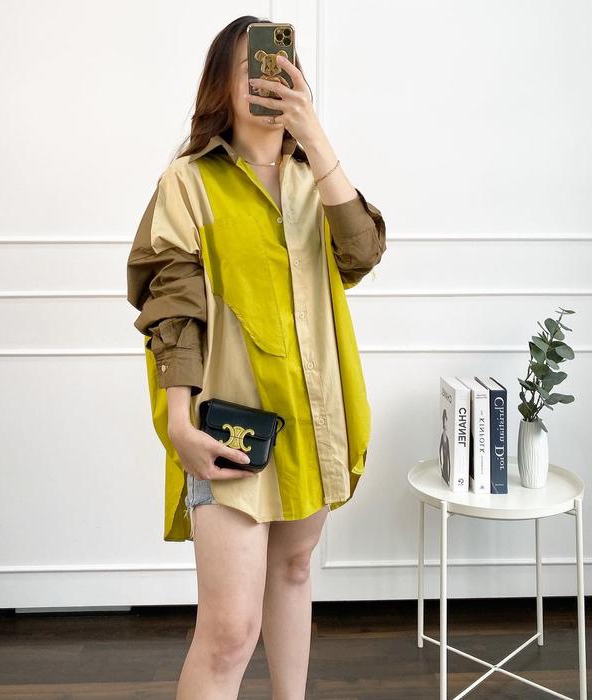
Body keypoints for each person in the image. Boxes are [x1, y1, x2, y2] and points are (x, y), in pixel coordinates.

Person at [126, 15, 386, 700]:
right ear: (222, 83)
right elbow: (173, 309)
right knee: (229, 632)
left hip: (312, 420)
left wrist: (314, 135)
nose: (266, 81)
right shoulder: (189, 182)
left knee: (294, 573)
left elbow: (360, 253)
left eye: (277, 68)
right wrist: (178, 424)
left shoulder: (314, 179)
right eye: (249, 69)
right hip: (229, 428)